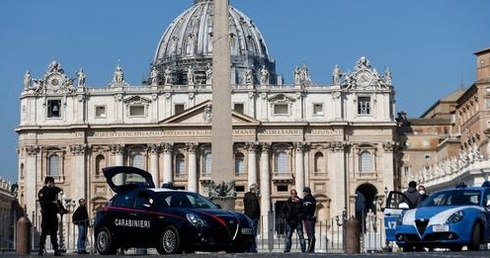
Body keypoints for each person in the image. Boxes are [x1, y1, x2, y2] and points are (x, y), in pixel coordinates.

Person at [38, 176, 63, 256]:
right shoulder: (42, 191)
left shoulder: (53, 191)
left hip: (53, 215)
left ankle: (56, 250)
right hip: (46, 215)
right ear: (49, 182)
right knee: (44, 234)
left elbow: (59, 190)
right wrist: (53, 203)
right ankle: (40, 250)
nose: (54, 184)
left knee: (54, 234)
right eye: (53, 183)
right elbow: (43, 204)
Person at [281, 189, 306, 253]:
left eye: (294, 194)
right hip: (289, 221)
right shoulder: (287, 202)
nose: (293, 195)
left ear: (296, 194)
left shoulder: (300, 201)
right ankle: (287, 249)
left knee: (301, 236)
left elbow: (305, 208)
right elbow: (282, 210)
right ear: (290, 194)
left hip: (298, 221)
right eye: (292, 194)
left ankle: (303, 249)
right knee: (288, 236)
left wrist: (299, 201)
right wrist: (285, 217)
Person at [243, 183, 260, 253]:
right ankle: (252, 248)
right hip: (252, 217)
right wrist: (256, 216)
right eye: (257, 189)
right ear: (253, 189)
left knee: (248, 233)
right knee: (253, 234)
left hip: (247, 215)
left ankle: (248, 248)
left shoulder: (246, 196)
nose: (257, 190)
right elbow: (254, 208)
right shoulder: (253, 197)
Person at [302, 186, 316, 253]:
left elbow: (307, 209)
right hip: (307, 218)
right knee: (309, 233)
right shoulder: (306, 199)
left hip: (309, 218)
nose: (303, 193)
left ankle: (310, 249)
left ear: (306, 192)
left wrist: (302, 216)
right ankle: (310, 248)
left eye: (304, 192)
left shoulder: (309, 199)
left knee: (310, 233)